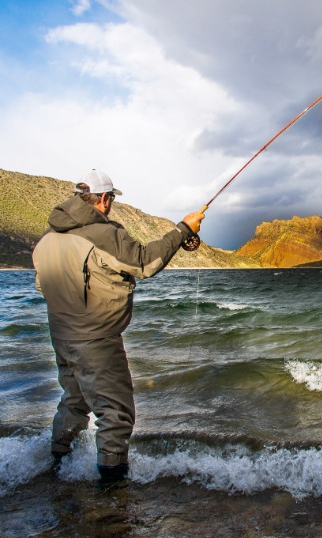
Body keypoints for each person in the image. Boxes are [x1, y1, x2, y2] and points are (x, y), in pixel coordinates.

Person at [32, 169, 204, 484]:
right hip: (96, 341)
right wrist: (182, 230)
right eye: (110, 198)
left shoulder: (46, 240)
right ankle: (112, 490)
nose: (110, 205)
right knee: (116, 416)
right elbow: (144, 263)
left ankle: (56, 471)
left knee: (74, 402)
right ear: (103, 199)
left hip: (61, 338)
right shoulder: (103, 235)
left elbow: (43, 287)